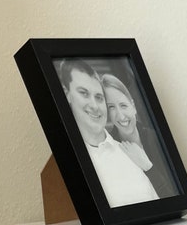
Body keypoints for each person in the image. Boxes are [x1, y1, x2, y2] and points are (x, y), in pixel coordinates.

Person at [55, 59, 159, 208]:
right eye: (84, 93)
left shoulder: (132, 153)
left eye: (99, 97)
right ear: (67, 95)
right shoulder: (70, 160)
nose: (95, 106)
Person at [101, 73, 179, 199]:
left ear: (133, 106)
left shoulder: (157, 139)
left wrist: (148, 167)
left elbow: (175, 198)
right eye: (111, 107)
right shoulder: (108, 148)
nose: (121, 116)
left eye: (123, 105)